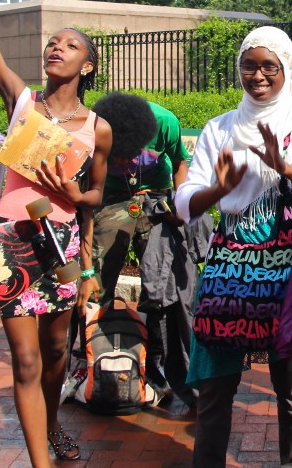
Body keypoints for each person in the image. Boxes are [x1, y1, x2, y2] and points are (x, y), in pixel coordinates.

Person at [0, 0, 112, 466]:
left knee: (55, 351)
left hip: (65, 246)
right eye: (54, 42)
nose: (57, 47)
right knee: (25, 360)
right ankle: (41, 461)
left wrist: (77, 196)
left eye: (71, 45)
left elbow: (98, 194)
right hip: (11, 243)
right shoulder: (21, 102)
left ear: (87, 65)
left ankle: (51, 423)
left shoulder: (97, 127)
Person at [177, 26, 292, 468]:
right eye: (248, 65)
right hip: (229, 273)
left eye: (268, 66)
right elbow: (185, 203)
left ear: (286, 68)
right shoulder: (221, 129)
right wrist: (219, 190)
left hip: (289, 275)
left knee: (291, 387)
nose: (257, 75)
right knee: (217, 389)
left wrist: (286, 168)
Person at [88, 91, 208, 412]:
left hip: (158, 198)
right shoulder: (95, 127)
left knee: (165, 284)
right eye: (119, 157)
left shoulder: (165, 123)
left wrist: (181, 204)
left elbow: (180, 160)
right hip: (113, 200)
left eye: (130, 155)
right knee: (96, 280)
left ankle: (158, 367)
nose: (126, 162)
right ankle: (90, 362)